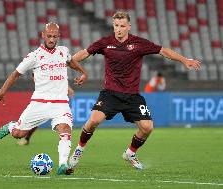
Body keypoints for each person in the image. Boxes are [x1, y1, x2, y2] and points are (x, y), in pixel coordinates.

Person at [68, 11, 201, 170]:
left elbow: (163, 51)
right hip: (110, 93)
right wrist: (69, 61)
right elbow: (84, 53)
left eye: (122, 26)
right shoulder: (105, 42)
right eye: (116, 26)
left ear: (129, 26)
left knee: (147, 127)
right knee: (94, 121)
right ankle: (78, 150)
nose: (119, 29)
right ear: (113, 25)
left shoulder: (139, 43)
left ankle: (130, 153)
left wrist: (184, 60)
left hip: (132, 96)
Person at [0, 22, 88, 175]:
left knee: (65, 129)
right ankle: (11, 127)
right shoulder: (34, 56)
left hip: (61, 103)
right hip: (39, 102)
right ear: (43, 35)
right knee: (19, 133)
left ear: (58, 36)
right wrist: (2, 92)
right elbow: (16, 74)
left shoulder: (63, 51)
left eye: (54, 36)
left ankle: (63, 164)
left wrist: (84, 73)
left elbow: (72, 63)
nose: (51, 39)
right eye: (49, 36)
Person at [17, 73, 75, 146]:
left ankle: (65, 140)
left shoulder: (54, 69)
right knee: (36, 120)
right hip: (44, 99)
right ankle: (26, 138)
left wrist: (68, 88)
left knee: (61, 120)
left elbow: (61, 77)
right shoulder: (42, 69)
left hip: (57, 98)